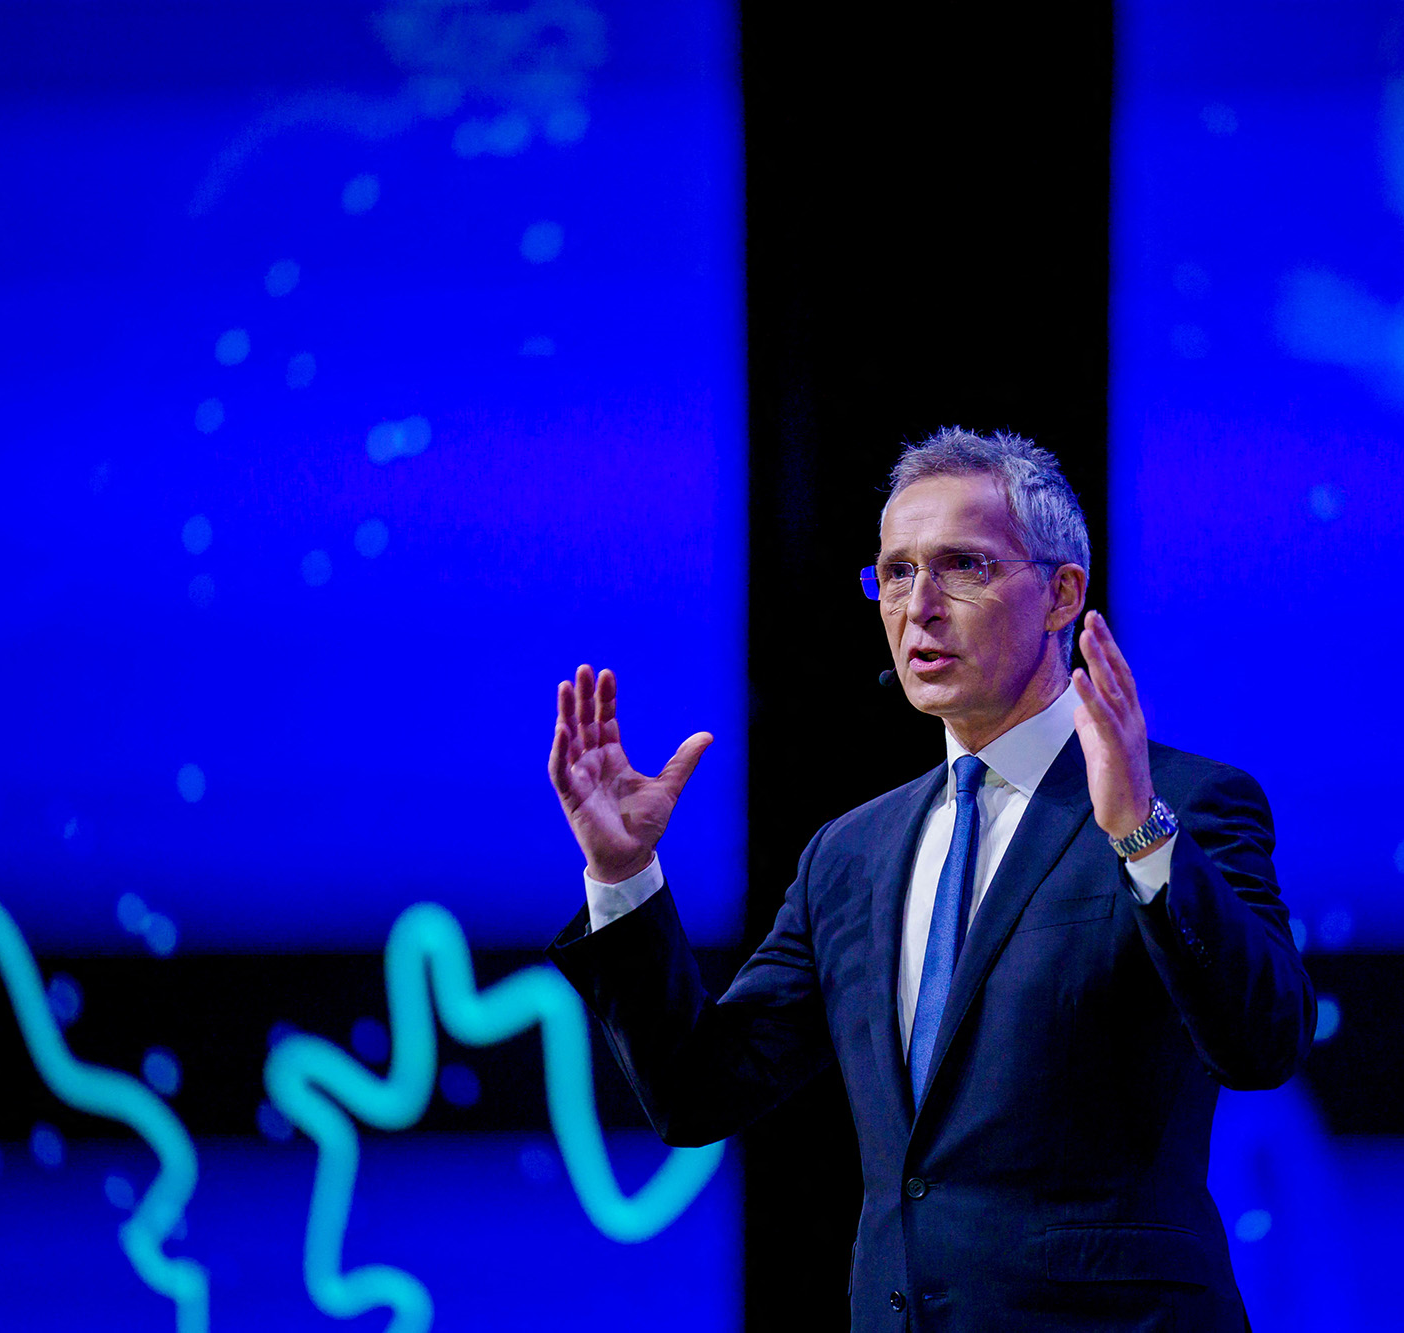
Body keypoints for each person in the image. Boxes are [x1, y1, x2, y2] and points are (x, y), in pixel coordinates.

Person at [546, 428, 1313, 1331]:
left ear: (1062, 592)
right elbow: (698, 1089)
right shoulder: (853, 852)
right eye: (897, 573)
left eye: (964, 567)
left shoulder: (1188, 802)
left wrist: (1139, 832)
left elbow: (1263, 1042)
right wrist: (624, 872)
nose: (920, 606)